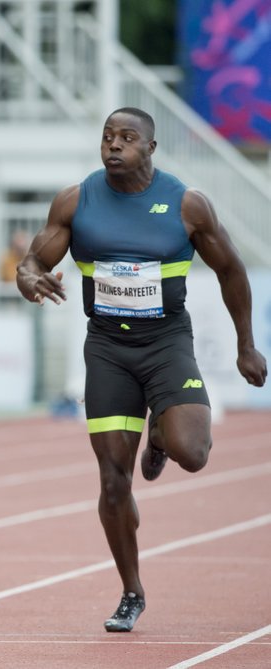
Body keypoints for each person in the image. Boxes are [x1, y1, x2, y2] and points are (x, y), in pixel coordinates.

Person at [15, 107, 266, 633]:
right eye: (107, 137)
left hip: (166, 343)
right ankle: (131, 590)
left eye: (127, 138)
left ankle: (161, 433)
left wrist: (246, 345)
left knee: (192, 453)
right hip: (107, 349)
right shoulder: (76, 199)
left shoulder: (186, 204)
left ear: (150, 148)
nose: (113, 146)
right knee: (112, 482)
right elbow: (33, 261)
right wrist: (28, 278)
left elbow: (231, 270)